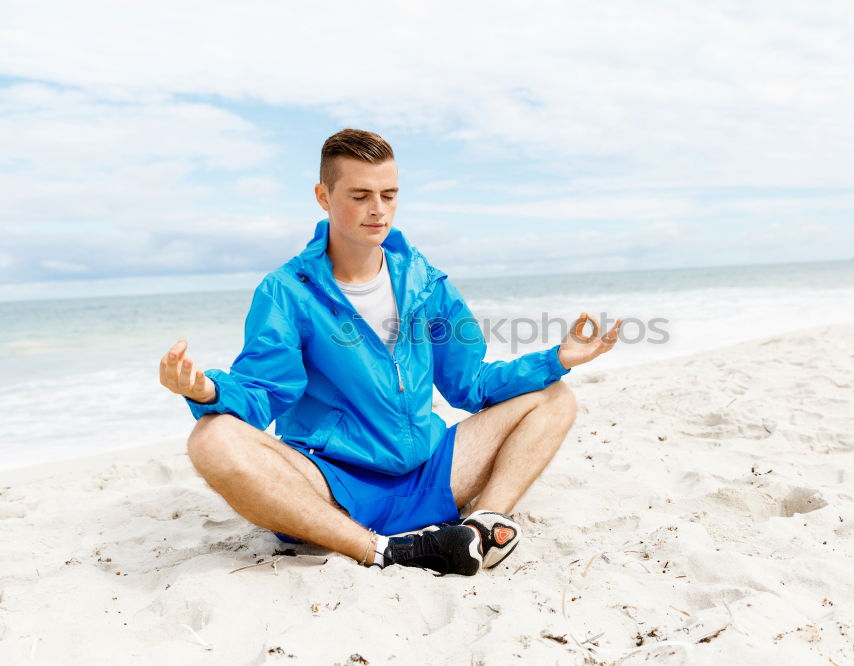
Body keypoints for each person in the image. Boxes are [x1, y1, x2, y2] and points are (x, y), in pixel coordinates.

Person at [159, 129, 621, 576]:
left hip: (431, 471)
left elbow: (471, 384)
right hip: (333, 486)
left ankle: (483, 524)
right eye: (360, 196)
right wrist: (207, 390)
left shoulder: (427, 281)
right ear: (324, 196)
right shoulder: (286, 291)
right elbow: (263, 392)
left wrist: (557, 359)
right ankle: (384, 552)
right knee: (212, 439)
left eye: (389, 194)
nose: (378, 210)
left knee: (555, 396)